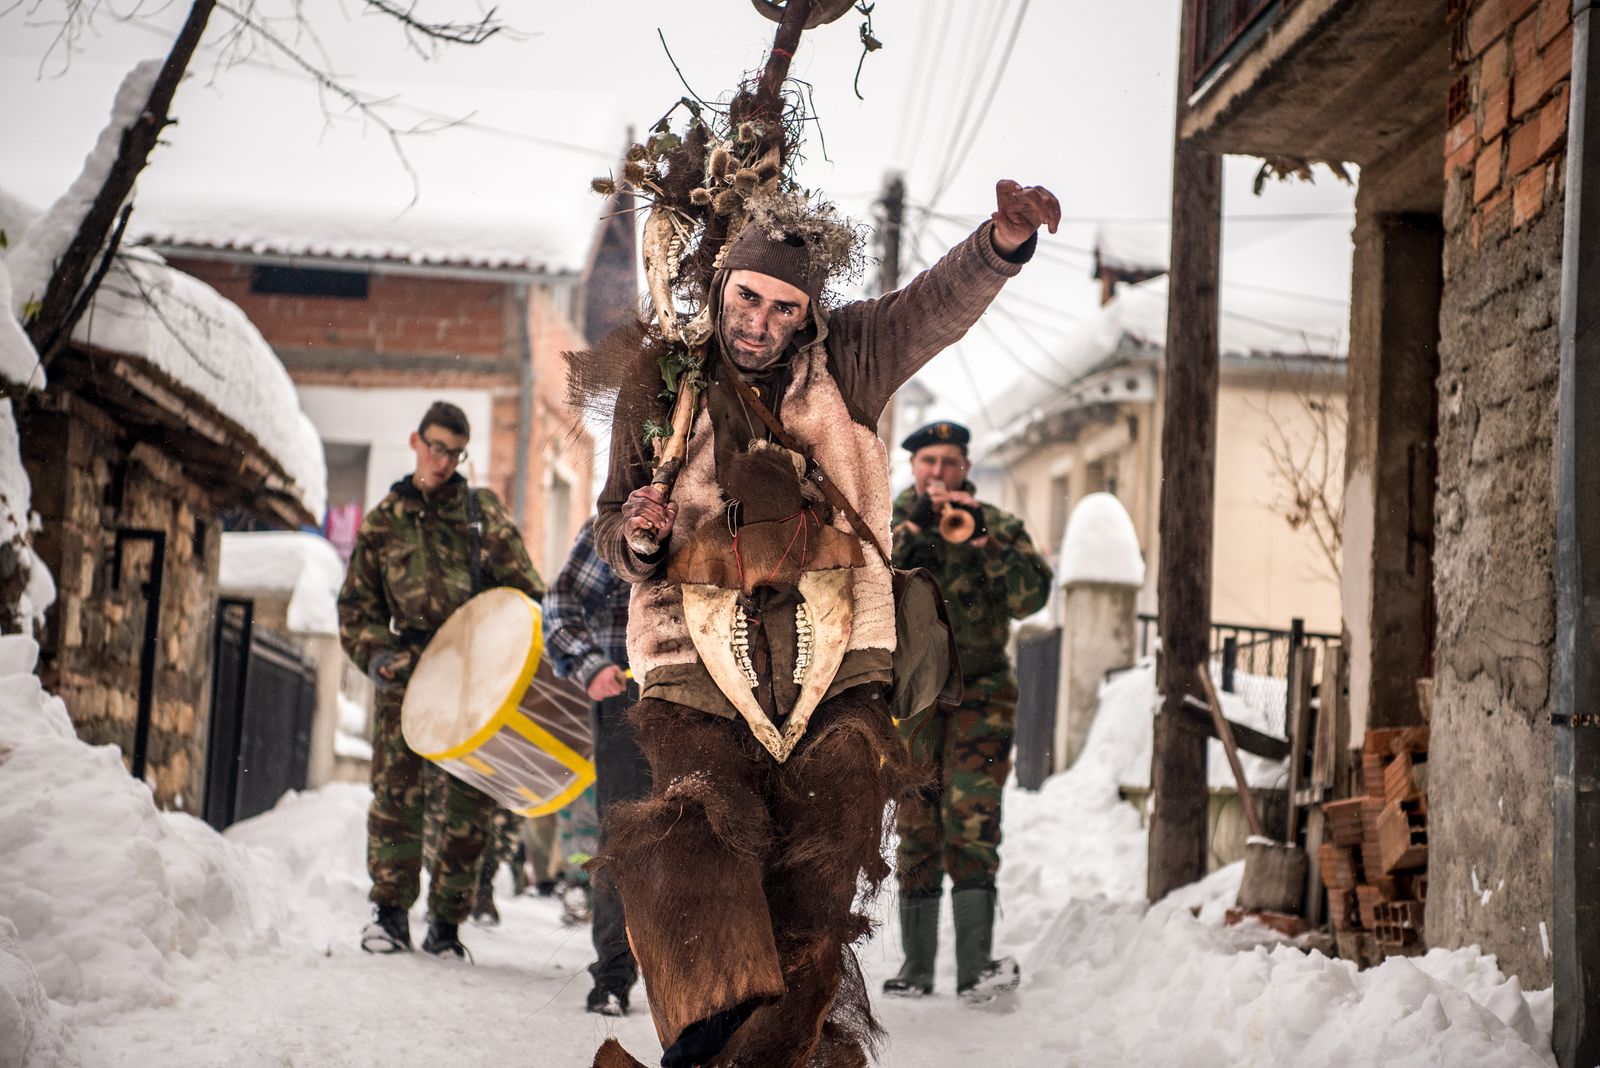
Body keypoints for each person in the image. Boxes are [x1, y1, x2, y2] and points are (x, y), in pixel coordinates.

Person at [591, 180, 1060, 1068]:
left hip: (837, 661)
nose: (761, 323)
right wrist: (641, 538)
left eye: (784, 307)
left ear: (808, 315)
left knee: (819, 870)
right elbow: (612, 522)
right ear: (720, 283)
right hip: (692, 662)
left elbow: (932, 307)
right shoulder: (661, 382)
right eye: (747, 299)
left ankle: (777, 1055)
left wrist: (1000, 242)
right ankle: (704, 1055)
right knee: (697, 844)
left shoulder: (848, 360)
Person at [338, 400, 545, 959]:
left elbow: (526, 593)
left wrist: (504, 655)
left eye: (455, 452)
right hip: (406, 675)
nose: (444, 461)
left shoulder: (481, 516)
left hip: (472, 679)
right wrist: (377, 655)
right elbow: (356, 609)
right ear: (415, 441)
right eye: (436, 447)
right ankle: (388, 914)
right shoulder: (383, 522)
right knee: (395, 797)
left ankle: (448, 925)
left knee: (466, 801)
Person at [881, 420, 1052, 1003]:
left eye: (950, 462)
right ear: (913, 468)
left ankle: (975, 965)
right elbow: (861, 590)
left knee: (974, 822)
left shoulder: (995, 526)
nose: (938, 472)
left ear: (967, 470)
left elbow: (1032, 598)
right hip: (912, 698)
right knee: (916, 827)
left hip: (982, 693)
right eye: (928, 461)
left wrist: (986, 544)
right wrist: (908, 536)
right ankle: (916, 967)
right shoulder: (885, 525)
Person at [544, 515, 650, 1017]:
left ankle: (705, 980)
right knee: (624, 837)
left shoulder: (720, 512)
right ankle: (613, 973)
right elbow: (561, 604)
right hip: (628, 695)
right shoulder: (614, 525)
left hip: (710, 700)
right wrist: (590, 664)